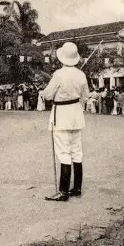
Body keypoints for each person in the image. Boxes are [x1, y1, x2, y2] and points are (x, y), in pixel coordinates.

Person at [41, 42, 89, 201]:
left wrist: (42, 93)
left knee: (63, 152)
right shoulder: (81, 75)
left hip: (61, 115)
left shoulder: (59, 74)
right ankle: (77, 188)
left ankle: (63, 191)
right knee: (76, 151)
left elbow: (48, 95)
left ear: (62, 58)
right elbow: (85, 96)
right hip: (76, 115)